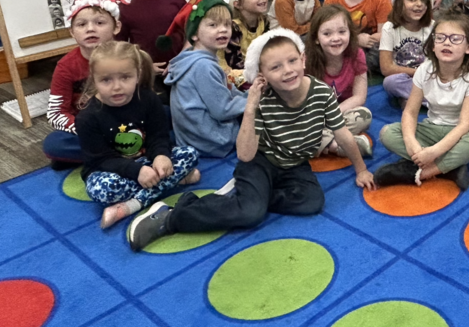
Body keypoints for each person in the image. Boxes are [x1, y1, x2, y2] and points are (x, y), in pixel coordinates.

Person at [127, 29, 377, 252]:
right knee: (250, 214)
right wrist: (250, 107)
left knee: (312, 202)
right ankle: (172, 217)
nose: (287, 70)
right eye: (275, 67)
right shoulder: (262, 101)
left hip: (294, 162)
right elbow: (245, 155)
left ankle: (247, 196)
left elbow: (342, 133)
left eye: (292, 61)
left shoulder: (321, 93)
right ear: (262, 75)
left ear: (303, 60)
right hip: (260, 160)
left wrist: (361, 170)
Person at [77, 41, 200, 229]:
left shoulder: (149, 99)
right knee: (104, 190)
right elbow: (100, 159)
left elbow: (158, 136)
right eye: (106, 80)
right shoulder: (87, 117)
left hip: (148, 162)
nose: (117, 87)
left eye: (125, 77)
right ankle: (176, 180)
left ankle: (132, 205)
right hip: (111, 171)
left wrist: (161, 155)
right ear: (94, 79)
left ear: (137, 75)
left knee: (190, 154)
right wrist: (137, 171)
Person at [375, 13, 469, 190]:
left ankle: (423, 172)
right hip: (432, 128)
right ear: (433, 45)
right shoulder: (424, 70)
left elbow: (464, 125)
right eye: (440, 38)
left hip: (463, 133)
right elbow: (410, 112)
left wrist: (433, 152)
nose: (447, 43)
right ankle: (451, 167)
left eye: (455, 39)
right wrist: (411, 143)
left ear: (468, 47)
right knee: (387, 133)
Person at [44, 0, 130, 168]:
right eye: (82, 24)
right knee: (54, 144)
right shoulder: (66, 67)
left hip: (128, 123)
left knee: (166, 116)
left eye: (100, 23)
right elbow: (56, 113)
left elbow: (144, 97)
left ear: (116, 27)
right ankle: (123, 152)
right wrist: (87, 130)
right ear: (72, 32)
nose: (90, 29)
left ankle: (105, 154)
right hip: (87, 128)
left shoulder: (129, 56)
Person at [165, 0, 248, 158]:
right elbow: (223, 110)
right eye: (213, 25)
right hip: (212, 142)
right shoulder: (204, 65)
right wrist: (253, 100)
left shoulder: (191, 59)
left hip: (193, 140)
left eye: (227, 24)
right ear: (194, 35)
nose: (223, 29)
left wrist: (247, 95)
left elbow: (226, 91)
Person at [306, 5, 374, 158]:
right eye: (327, 34)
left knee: (364, 115)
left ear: (350, 33)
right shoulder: (307, 60)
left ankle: (325, 142)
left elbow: (359, 97)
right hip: (314, 115)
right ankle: (338, 145)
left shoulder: (357, 54)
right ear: (316, 38)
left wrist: (331, 116)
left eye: (342, 32)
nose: (336, 38)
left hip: (339, 112)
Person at [116, 0, 186, 85]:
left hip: (184, 72)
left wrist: (182, 60)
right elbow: (120, 48)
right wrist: (143, 67)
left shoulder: (177, 1)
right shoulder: (125, 8)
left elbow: (191, 36)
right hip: (150, 80)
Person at [380, 0, 436, 105]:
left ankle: (412, 100)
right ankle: (432, 101)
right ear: (400, 3)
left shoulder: (433, 27)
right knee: (390, 82)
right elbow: (386, 68)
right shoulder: (389, 28)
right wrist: (417, 73)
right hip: (406, 78)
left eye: (423, 0)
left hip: (429, 77)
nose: (419, 4)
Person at [217, 0, 273, 79]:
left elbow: (268, 49)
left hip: (255, 70)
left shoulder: (264, 21)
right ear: (238, 4)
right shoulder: (233, 28)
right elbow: (235, 64)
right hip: (233, 75)